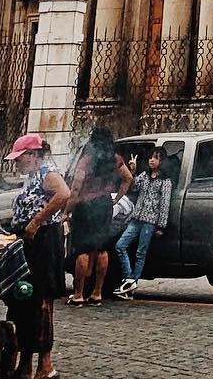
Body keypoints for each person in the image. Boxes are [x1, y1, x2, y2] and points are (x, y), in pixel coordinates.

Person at [7, 133, 70, 379]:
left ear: (33, 155)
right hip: (33, 242)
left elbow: (63, 194)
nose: (17, 164)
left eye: (20, 158)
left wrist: (35, 222)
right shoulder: (34, 175)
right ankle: (29, 362)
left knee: (41, 303)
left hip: (44, 243)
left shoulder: (48, 172)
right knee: (29, 302)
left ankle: (42, 363)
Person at [66, 124, 131, 305]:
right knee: (101, 249)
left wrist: (66, 211)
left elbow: (76, 187)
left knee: (82, 250)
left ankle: (78, 294)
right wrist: (116, 199)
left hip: (86, 206)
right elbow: (128, 178)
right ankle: (97, 292)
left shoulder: (87, 160)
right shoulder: (115, 159)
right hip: (104, 205)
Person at [114, 150, 171, 298]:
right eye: (151, 157)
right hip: (137, 218)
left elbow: (164, 205)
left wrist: (161, 226)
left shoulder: (165, 181)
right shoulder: (144, 175)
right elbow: (134, 187)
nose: (152, 160)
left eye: (156, 158)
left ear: (162, 161)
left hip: (150, 221)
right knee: (120, 246)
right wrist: (132, 170)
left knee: (141, 253)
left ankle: (131, 286)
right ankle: (129, 279)